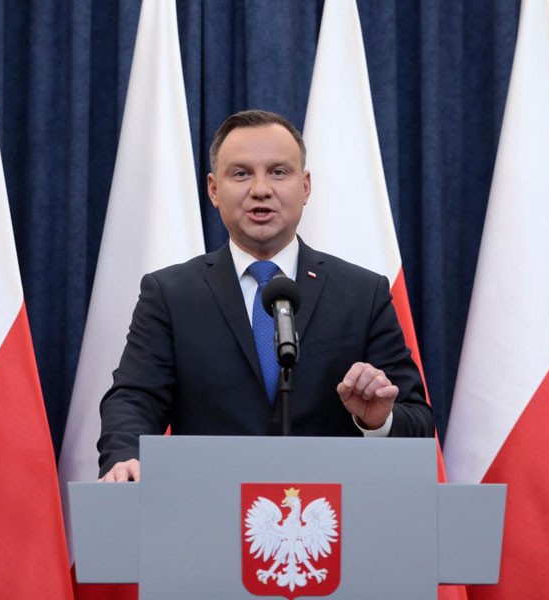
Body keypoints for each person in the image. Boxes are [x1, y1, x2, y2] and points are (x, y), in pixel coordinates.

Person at [98, 110, 433, 481]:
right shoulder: (171, 294)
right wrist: (125, 455)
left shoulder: (361, 293)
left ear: (305, 186)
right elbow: (134, 399)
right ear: (213, 189)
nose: (260, 189)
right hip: (206, 515)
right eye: (241, 173)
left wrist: (378, 420)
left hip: (331, 520)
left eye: (278, 172)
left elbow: (417, 421)